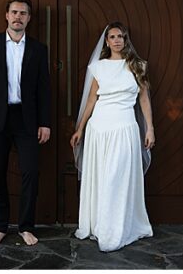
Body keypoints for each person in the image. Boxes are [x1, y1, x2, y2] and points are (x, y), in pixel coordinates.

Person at [0, 0, 51, 247]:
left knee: (30, 173)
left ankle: (26, 227)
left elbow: (43, 89)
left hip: (27, 120)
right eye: (14, 12)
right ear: (6, 15)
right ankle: (0, 227)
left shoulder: (38, 49)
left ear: (29, 18)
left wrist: (45, 122)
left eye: (23, 13)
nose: (18, 17)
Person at [70, 22, 154, 251]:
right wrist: (80, 128)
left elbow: (144, 99)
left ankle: (116, 228)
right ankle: (98, 226)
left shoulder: (138, 66)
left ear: (126, 40)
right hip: (99, 128)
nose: (117, 40)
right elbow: (91, 100)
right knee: (100, 177)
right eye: (113, 37)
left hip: (125, 127)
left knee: (118, 177)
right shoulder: (98, 67)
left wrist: (150, 128)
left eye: (121, 37)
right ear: (106, 41)